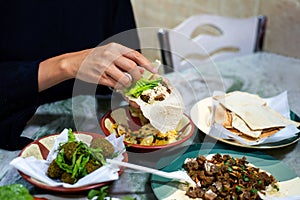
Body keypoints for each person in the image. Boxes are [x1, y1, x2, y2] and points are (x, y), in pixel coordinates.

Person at [0, 0, 156, 150]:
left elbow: (125, 55)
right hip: (18, 124)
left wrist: (136, 86)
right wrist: (65, 65)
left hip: (99, 117)